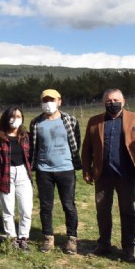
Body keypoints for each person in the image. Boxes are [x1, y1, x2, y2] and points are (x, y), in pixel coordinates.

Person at [81, 89, 135, 262]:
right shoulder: (94, 121)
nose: (111, 103)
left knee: (127, 211)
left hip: (126, 174)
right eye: (107, 100)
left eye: (115, 100)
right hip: (102, 173)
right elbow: (87, 148)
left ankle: (128, 247)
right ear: (103, 102)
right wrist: (86, 170)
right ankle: (104, 244)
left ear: (123, 101)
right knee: (102, 210)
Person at [29, 89, 81, 254]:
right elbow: (33, 147)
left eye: (51, 100)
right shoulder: (36, 123)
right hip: (44, 171)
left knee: (69, 205)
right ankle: (48, 238)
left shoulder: (70, 120)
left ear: (60, 101)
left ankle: (72, 239)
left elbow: (76, 142)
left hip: (66, 170)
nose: (48, 103)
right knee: (45, 206)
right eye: (45, 100)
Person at [0, 106, 33, 251]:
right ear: (6, 118)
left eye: (18, 116)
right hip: (5, 174)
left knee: (26, 209)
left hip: (23, 173)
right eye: (12, 116)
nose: (15, 119)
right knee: (8, 210)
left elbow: (31, 156)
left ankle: (23, 238)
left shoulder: (26, 136)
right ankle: (12, 238)